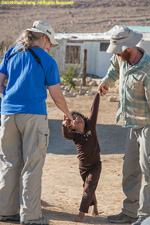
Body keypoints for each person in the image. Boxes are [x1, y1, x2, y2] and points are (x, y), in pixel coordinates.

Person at [0, 20, 72, 225]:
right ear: (45, 38)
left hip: (7, 115)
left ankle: (5, 211)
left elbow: (0, 82)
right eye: (50, 43)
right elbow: (57, 96)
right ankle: (31, 216)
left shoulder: (11, 53)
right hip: (34, 116)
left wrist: (10, 97)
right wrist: (66, 114)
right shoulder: (47, 61)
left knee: (9, 162)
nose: (50, 47)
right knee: (32, 165)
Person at [98, 26, 150, 225]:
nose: (116, 52)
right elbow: (113, 68)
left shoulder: (147, 69)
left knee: (148, 171)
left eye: (119, 49)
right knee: (130, 171)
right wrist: (106, 82)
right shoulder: (122, 59)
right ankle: (130, 212)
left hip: (147, 126)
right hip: (131, 124)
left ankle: (145, 217)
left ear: (130, 46)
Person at [62, 92, 101, 222]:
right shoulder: (75, 136)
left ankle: (81, 214)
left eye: (79, 117)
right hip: (83, 168)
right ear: (71, 126)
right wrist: (64, 125)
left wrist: (97, 94)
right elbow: (66, 135)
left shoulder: (91, 126)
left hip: (96, 166)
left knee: (88, 188)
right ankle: (94, 205)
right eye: (74, 119)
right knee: (88, 187)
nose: (77, 118)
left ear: (84, 119)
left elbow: (94, 110)